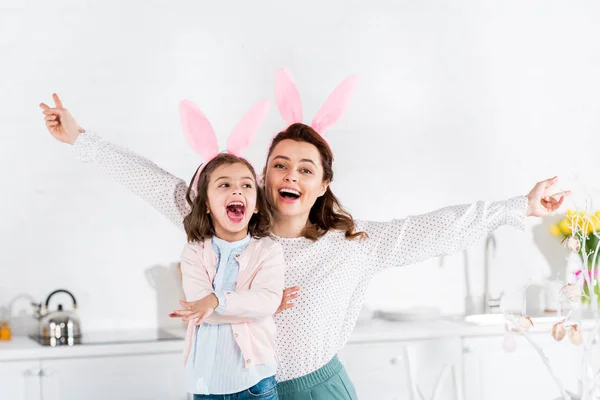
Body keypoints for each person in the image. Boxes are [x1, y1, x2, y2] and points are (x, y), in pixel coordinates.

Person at [40, 76, 568, 399]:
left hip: (319, 390)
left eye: (304, 168)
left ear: (322, 184)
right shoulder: (230, 221)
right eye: (280, 165)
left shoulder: (355, 245)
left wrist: (518, 205)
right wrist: (79, 139)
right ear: (264, 175)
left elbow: (439, 228)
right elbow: (154, 182)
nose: (291, 175)